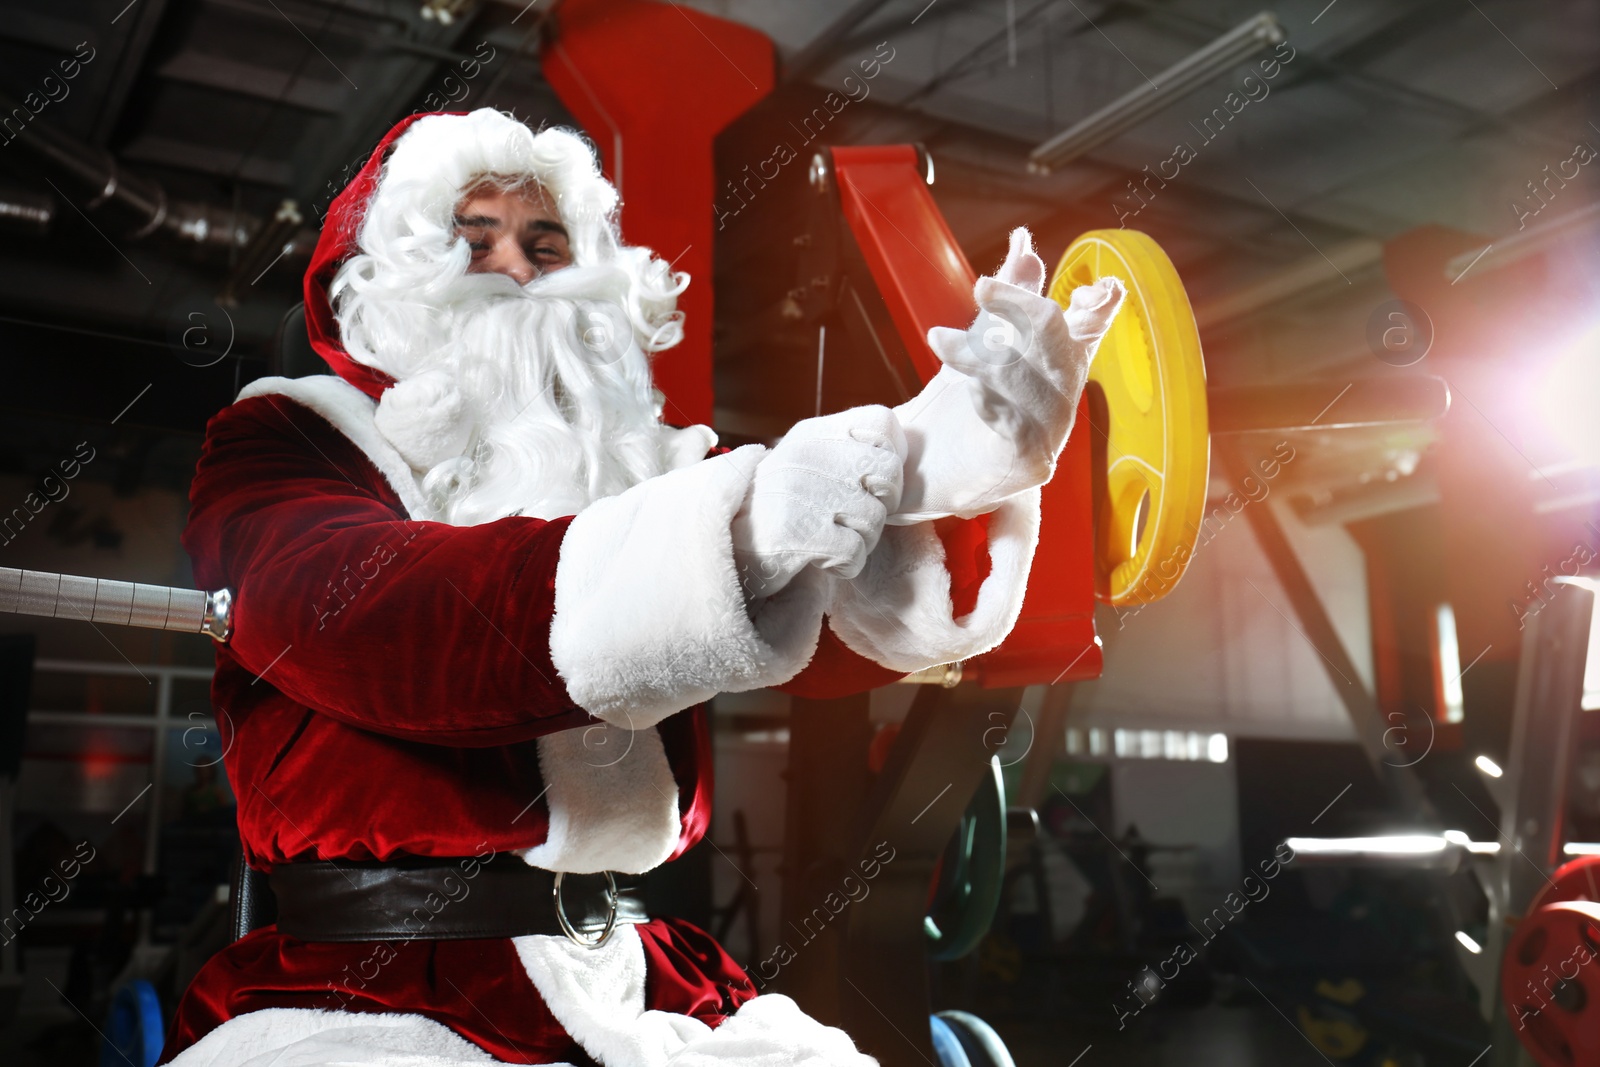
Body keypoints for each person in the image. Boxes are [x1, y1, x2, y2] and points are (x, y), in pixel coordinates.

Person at [159, 107, 1124, 1067]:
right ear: (393, 278)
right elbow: (378, 622)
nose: (520, 269)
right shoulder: (284, 441)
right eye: (474, 237)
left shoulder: (644, 470)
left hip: (636, 975)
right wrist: (753, 519)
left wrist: (941, 461)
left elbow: (824, 619)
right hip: (370, 989)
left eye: (547, 241)